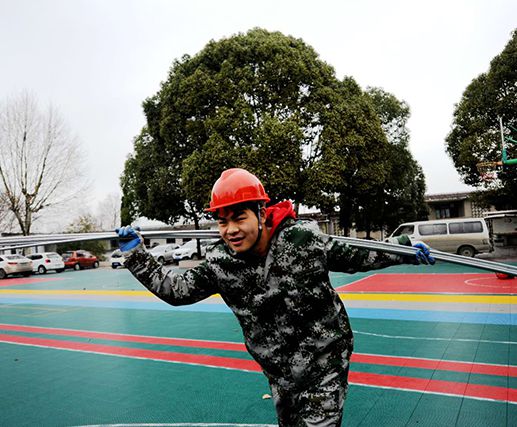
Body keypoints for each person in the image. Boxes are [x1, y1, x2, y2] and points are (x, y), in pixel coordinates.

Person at [117, 168, 434, 426]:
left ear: (261, 213)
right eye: (222, 221)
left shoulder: (301, 241)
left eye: (239, 217)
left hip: (325, 361)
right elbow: (176, 290)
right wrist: (137, 255)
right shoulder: (219, 262)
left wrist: (403, 246)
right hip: (279, 372)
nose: (230, 230)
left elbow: (356, 255)